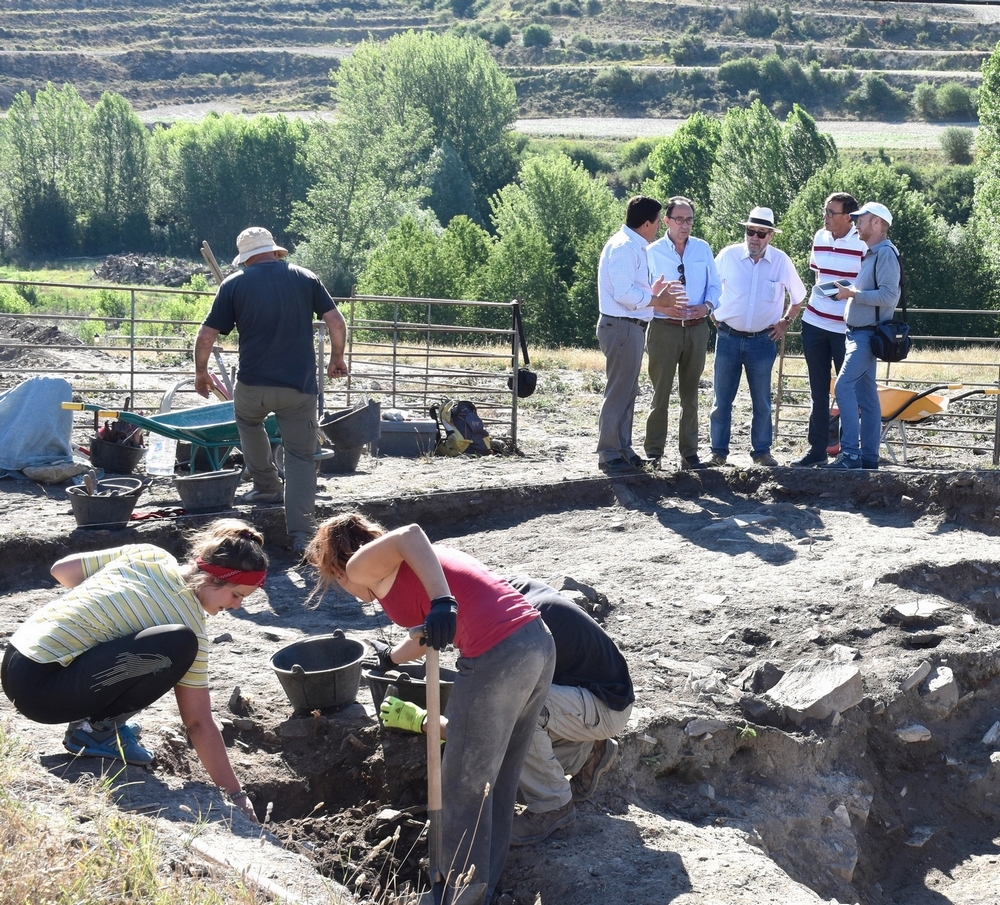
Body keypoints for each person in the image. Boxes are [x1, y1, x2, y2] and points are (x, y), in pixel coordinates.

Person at [305, 514, 555, 905]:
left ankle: (457, 895)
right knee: (498, 777)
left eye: (337, 583)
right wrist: (390, 657)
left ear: (338, 568)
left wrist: (442, 601)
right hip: (537, 643)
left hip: (497, 655)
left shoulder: (361, 564)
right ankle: (481, 888)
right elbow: (429, 634)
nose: (347, 590)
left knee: (461, 782)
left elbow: (410, 532)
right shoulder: (418, 565)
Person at [0, 518, 267, 824]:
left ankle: (97, 723)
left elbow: (62, 570)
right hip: (41, 694)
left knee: (140, 637)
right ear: (212, 578)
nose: (236, 607)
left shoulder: (150, 555)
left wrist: (110, 612)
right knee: (179, 644)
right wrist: (236, 794)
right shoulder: (192, 626)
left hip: (16, 659)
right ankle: (97, 731)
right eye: (237, 596)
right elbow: (197, 723)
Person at [375, 576, 635, 848]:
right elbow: (428, 634)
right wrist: (390, 657)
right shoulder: (503, 597)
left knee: (516, 715)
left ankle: (552, 805)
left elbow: (487, 723)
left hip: (604, 707)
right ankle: (588, 752)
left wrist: (423, 720)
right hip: (588, 697)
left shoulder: (508, 633)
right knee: (518, 747)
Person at [194, 226, 349, 554]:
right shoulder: (305, 277)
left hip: (253, 385)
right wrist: (336, 358)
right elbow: (336, 322)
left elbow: (206, 335)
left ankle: (266, 486)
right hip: (299, 387)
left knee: (249, 423)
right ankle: (302, 536)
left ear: (245, 259)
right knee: (300, 457)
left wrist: (201, 373)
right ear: (275, 251)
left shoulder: (233, 284)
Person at [597, 195, 688, 476]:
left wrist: (651, 291)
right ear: (647, 223)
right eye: (659, 221)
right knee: (619, 391)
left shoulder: (630, 245)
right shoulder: (625, 248)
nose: (660, 226)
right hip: (623, 326)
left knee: (627, 390)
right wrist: (657, 301)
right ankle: (610, 452)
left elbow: (628, 289)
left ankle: (622, 449)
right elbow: (623, 294)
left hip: (627, 327)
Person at [710, 206, 807, 468]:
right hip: (728, 337)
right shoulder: (727, 256)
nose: (754, 237)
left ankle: (761, 452)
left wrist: (786, 322)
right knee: (721, 400)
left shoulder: (782, 261)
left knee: (762, 401)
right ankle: (717, 453)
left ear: (770, 236)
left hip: (762, 341)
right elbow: (709, 285)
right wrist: (712, 312)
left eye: (761, 233)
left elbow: (799, 297)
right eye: (750, 231)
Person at [644, 196, 721, 471]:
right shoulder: (651, 251)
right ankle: (653, 453)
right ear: (666, 221)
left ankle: (689, 454)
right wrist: (661, 306)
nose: (684, 225)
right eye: (679, 219)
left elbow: (715, 286)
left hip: (697, 330)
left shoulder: (703, 249)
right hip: (663, 329)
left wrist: (706, 306)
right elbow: (642, 292)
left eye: (689, 220)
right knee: (660, 394)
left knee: (691, 396)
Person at [790, 193, 866, 467]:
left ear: (849, 217)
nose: (826, 216)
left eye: (831, 212)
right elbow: (818, 275)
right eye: (825, 211)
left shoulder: (862, 242)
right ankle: (817, 450)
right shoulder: (819, 237)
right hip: (814, 324)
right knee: (817, 391)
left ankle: (849, 452)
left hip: (846, 329)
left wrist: (849, 295)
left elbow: (868, 285)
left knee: (848, 391)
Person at [825, 202, 901, 470]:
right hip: (863, 334)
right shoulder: (875, 253)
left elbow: (890, 296)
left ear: (877, 223)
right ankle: (868, 459)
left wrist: (852, 294)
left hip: (866, 336)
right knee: (868, 399)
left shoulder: (885, 254)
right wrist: (852, 292)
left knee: (843, 386)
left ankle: (850, 455)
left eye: (861, 219)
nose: (855, 223)